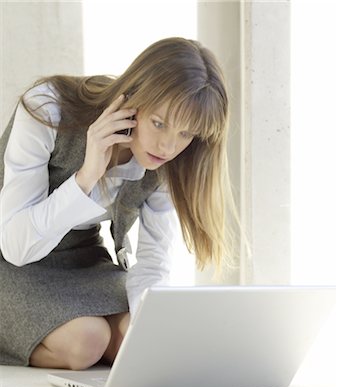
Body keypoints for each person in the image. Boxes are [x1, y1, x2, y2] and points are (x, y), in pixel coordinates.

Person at [0, 37, 238, 370]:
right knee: (87, 340)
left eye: (186, 134)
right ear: (134, 98)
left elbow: (153, 264)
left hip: (83, 260)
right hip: (11, 259)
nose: (169, 145)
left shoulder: (168, 163)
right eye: (159, 123)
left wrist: (146, 326)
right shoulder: (47, 108)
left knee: (137, 335)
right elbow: (15, 247)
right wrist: (86, 177)